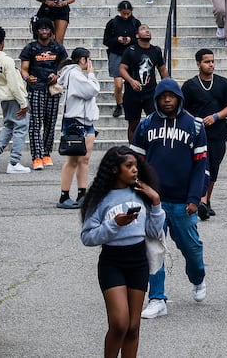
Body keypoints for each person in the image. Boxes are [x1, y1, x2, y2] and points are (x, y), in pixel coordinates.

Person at [132, 77, 209, 320]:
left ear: (179, 98)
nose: (167, 100)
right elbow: (135, 162)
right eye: (163, 96)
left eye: (171, 96)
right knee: (154, 248)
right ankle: (157, 298)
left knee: (192, 249)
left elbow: (201, 167)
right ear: (156, 99)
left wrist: (195, 198)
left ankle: (198, 278)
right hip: (154, 200)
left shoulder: (195, 126)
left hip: (184, 202)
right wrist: (137, 192)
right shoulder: (145, 125)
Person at [78, 145, 165, 358]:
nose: (135, 170)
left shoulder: (141, 193)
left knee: (133, 327)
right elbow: (87, 237)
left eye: (136, 165)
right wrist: (114, 225)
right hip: (112, 262)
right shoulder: (100, 198)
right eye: (129, 166)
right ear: (115, 170)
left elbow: (154, 232)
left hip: (138, 262)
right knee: (119, 323)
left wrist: (155, 202)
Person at [179, 48, 227, 220]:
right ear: (198, 63)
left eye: (212, 61)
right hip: (196, 133)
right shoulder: (190, 85)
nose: (211, 64)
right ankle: (199, 200)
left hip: (218, 133)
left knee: (213, 168)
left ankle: (206, 200)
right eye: (207, 61)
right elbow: (181, 107)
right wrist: (195, 120)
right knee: (199, 166)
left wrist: (215, 116)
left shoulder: (223, 83)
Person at [20, 19, 68, 171]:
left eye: (47, 28)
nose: (44, 31)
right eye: (41, 28)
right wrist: (27, 77)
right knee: (36, 123)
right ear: (36, 31)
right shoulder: (30, 48)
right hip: (36, 88)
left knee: (50, 122)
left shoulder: (58, 47)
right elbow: (24, 68)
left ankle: (46, 153)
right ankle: (36, 156)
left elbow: (65, 64)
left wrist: (57, 74)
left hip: (52, 89)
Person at [0, 24, 32, 175]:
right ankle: (14, 162)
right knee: (20, 128)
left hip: (4, 98)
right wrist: (24, 103)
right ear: (2, 41)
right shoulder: (7, 61)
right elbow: (14, 85)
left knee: (9, 126)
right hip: (14, 98)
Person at [56, 47, 100, 209]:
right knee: (73, 160)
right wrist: (91, 74)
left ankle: (82, 193)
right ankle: (64, 196)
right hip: (75, 121)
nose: (91, 63)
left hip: (86, 121)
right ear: (82, 60)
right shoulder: (74, 74)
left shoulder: (78, 74)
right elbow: (92, 90)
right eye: (89, 59)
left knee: (85, 159)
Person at [119, 25, 166, 143]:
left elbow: (163, 70)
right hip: (132, 93)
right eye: (143, 29)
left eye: (148, 29)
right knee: (133, 123)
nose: (147, 31)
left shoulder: (156, 50)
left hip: (151, 93)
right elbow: (122, 69)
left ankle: (154, 147)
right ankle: (133, 150)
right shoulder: (130, 51)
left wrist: (168, 86)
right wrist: (131, 81)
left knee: (156, 120)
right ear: (137, 35)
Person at [103, 1, 141, 120]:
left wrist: (131, 40)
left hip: (131, 55)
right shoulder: (113, 23)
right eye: (123, 13)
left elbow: (140, 40)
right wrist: (117, 40)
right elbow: (106, 40)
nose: (125, 16)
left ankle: (130, 103)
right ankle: (119, 104)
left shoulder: (135, 23)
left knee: (131, 82)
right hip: (116, 54)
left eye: (128, 14)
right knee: (118, 85)